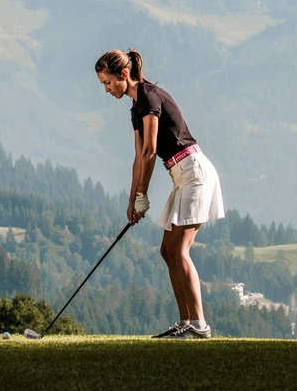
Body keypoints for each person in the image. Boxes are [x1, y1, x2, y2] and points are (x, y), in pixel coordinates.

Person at [95, 48, 224, 339]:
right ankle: (185, 322)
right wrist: (133, 200)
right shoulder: (135, 108)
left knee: (179, 250)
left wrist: (143, 194)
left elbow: (152, 150)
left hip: (195, 173)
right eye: (102, 84)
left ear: (124, 75)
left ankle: (199, 325)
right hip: (182, 175)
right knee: (167, 250)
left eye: (107, 83)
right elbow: (139, 157)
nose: (105, 89)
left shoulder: (150, 97)